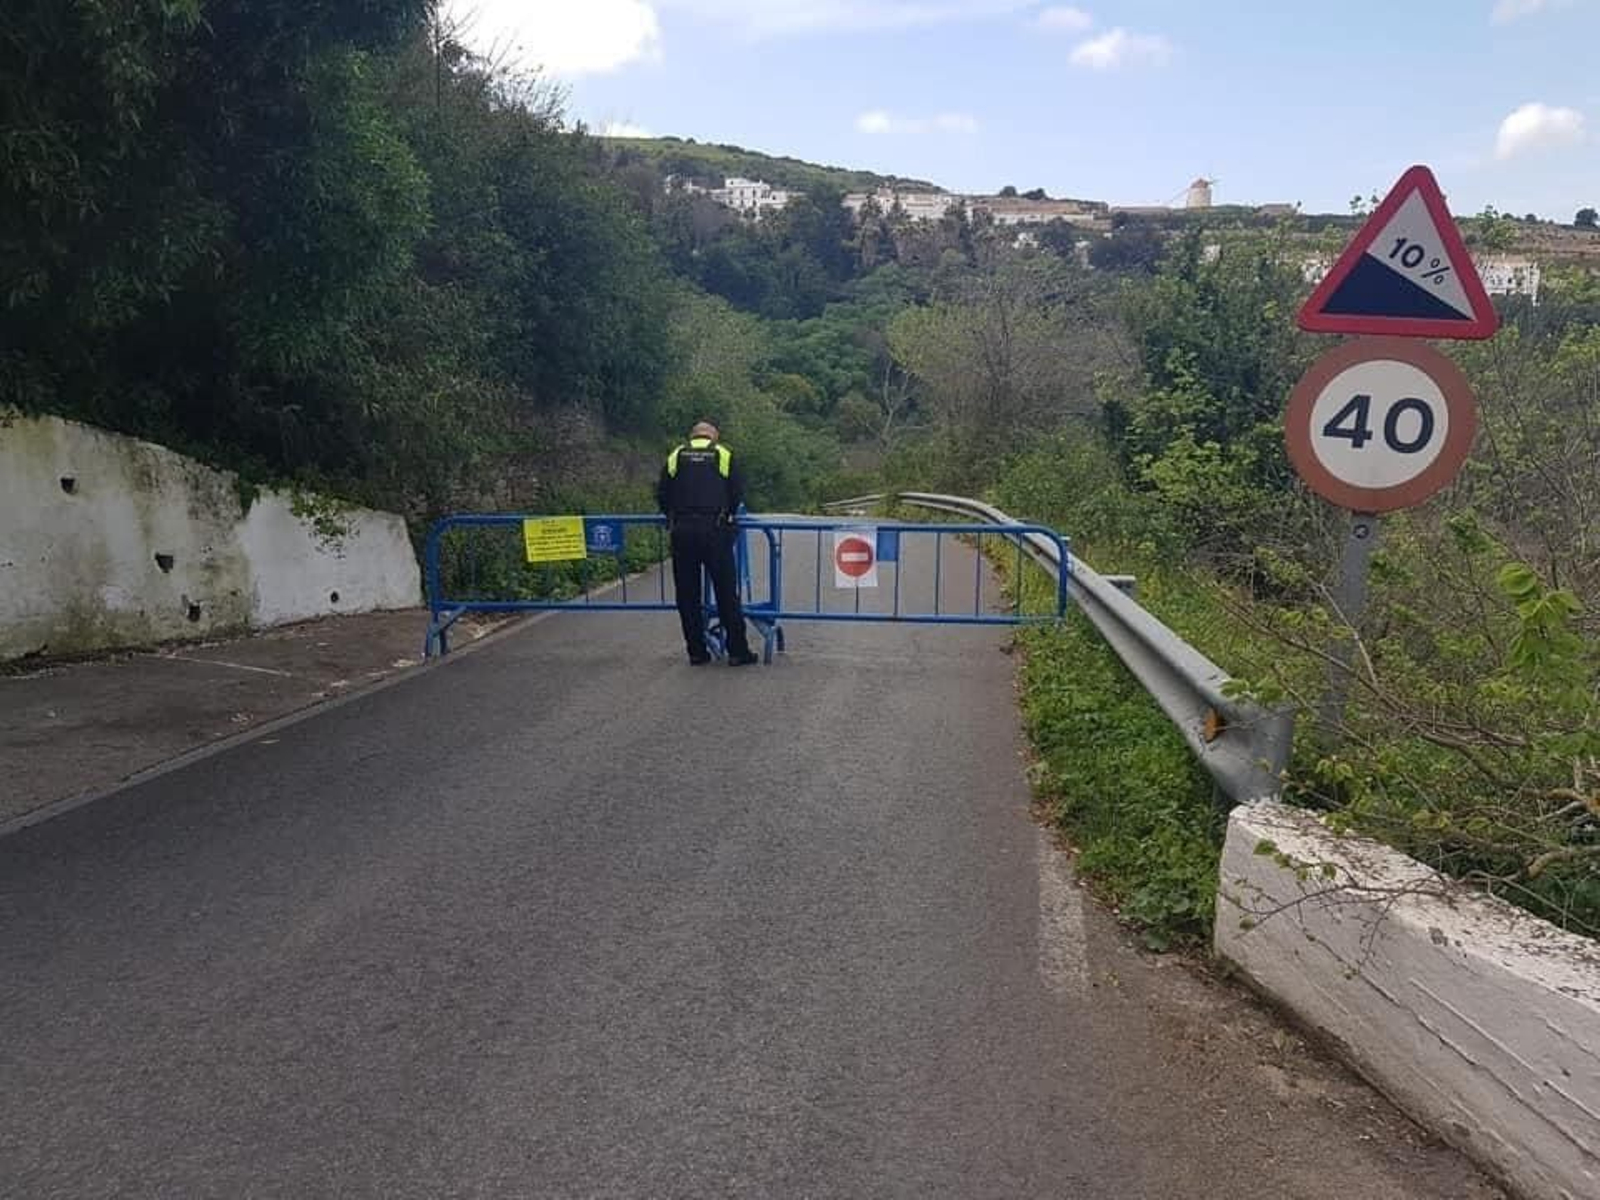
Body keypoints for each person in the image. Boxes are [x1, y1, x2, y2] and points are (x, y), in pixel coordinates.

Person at [656, 421, 760, 666]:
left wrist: (670, 514)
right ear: (713, 436)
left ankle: (696, 652)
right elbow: (736, 492)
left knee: (687, 596)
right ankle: (737, 651)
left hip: (682, 530)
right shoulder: (723, 454)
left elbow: (662, 492)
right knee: (726, 593)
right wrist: (729, 515)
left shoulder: (676, 455)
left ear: (692, 436)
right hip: (715, 529)